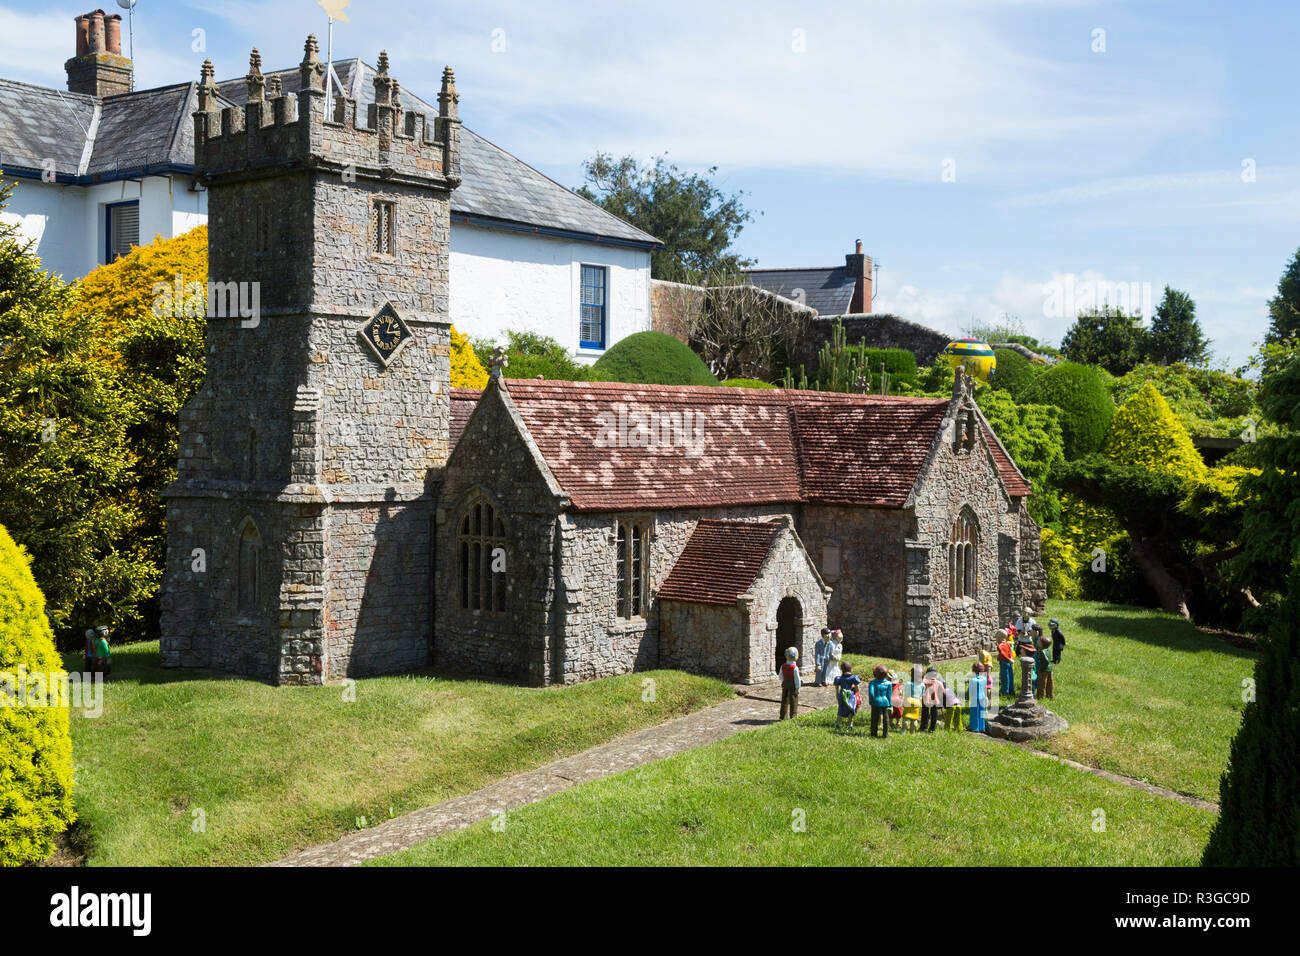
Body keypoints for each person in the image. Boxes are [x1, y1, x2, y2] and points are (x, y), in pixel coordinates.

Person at [833, 660, 862, 730]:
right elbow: (857, 689)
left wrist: (838, 697)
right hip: (850, 695)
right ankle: (850, 725)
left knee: (841, 709)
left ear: (841, 669)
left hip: (842, 695)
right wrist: (855, 690)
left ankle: (838, 724)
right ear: (850, 669)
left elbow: (836, 690)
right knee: (850, 709)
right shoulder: (853, 678)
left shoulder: (838, 678)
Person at [867, 665, 894, 738]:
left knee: (874, 718)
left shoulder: (872, 683)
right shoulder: (888, 684)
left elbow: (871, 693)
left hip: (876, 701)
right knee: (886, 719)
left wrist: (871, 701)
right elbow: (889, 695)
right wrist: (890, 704)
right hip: (885, 702)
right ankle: (885, 734)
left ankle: (873, 733)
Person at [920, 666, 945, 732]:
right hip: (935, 701)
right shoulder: (939, 682)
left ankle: (923, 727)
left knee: (925, 714)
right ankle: (932, 728)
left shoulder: (924, 682)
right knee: (934, 715)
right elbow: (943, 692)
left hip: (926, 701)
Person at [779, 646, 801, 719]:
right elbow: (797, 679)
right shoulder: (795, 668)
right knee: (793, 700)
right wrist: (797, 688)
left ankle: (783, 715)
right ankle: (793, 716)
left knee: (784, 699)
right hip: (792, 685)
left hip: (785, 683)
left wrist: (783, 681)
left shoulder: (783, 666)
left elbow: (780, 676)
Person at [967, 662, 989, 731]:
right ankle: (982, 727)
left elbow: (970, 690)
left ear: (973, 670)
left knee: (974, 713)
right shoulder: (984, 679)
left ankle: (974, 727)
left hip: (974, 698)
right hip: (982, 697)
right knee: (981, 713)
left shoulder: (972, 680)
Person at [1035, 630, 1055, 700]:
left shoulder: (1042, 652)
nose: (1037, 642)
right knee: (1050, 682)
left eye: (1039, 641)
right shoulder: (1047, 650)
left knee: (1042, 683)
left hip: (1044, 669)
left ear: (1042, 644)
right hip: (1049, 668)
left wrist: (1041, 669)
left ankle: (1040, 696)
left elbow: (1046, 661)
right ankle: (1050, 695)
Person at [996, 630, 1015, 696]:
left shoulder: (1000, 645)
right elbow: (1010, 652)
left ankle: (1005, 691)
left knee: (1004, 677)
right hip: (1009, 662)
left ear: (999, 637)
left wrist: (1009, 659)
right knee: (1010, 675)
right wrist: (1011, 658)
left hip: (1004, 662)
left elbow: (1003, 654)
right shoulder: (1007, 644)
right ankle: (1011, 690)